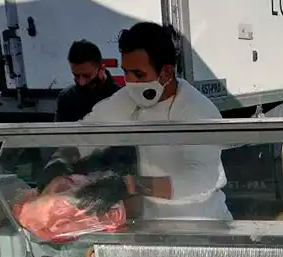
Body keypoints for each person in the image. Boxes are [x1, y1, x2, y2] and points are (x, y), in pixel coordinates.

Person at [66, 22, 232, 221]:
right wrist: (61, 161)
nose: (130, 82)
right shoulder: (128, 98)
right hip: (155, 224)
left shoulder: (197, 109)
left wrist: (131, 185)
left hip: (202, 223)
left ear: (167, 73)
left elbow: (202, 179)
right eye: (126, 72)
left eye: (139, 74)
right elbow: (88, 132)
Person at [54, 39, 120, 123]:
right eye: (76, 75)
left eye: (87, 76)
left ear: (102, 69)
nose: (81, 82)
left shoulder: (120, 98)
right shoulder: (66, 99)